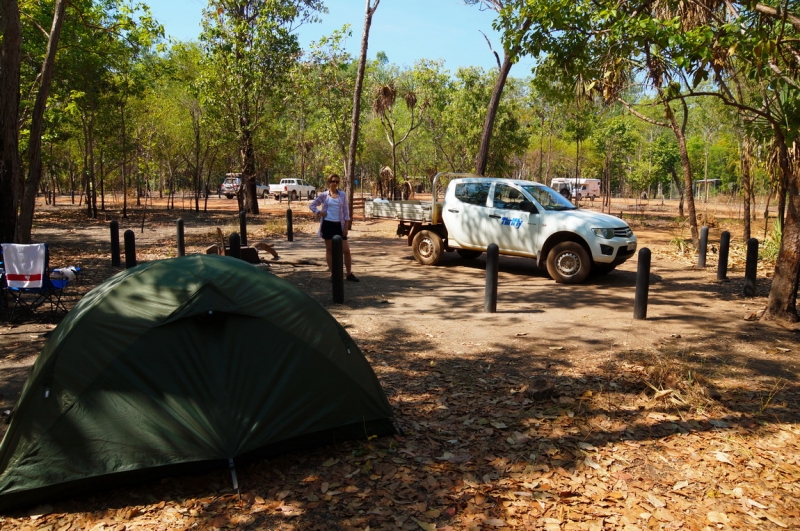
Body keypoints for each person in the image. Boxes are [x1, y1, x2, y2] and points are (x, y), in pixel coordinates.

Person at [309, 174, 359, 282]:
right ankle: (333, 273)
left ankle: (349, 273)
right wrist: (319, 212)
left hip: (339, 225)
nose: (335, 183)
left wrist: (346, 227)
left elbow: (346, 212)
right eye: (333, 181)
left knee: (346, 251)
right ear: (329, 182)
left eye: (336, 181)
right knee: (329, 250)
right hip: (328, 224)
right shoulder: (324, 195)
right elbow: (312, 205)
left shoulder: (342, 195)